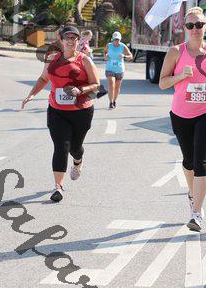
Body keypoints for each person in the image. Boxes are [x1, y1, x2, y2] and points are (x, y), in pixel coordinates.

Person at [158, 7, 206, 232]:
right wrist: (180, 76)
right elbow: (163, 83)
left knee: (200, 161)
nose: (195, 29)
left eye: (199, 25)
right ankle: (192, 194)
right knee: (188, 161)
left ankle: (196, 213)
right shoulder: (176, 52)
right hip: (181, 114)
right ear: (185, 28)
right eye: (190, 25)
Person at [21, 26, 100, 203]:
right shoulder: (52, 59)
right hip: (57, 111)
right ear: (61, 40)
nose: (70, 41)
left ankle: (78, 161)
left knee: (75, 148)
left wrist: (80, 90)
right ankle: (58, 187)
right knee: (61, 146)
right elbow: (44, 79)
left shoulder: (85, 60)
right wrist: (32, 94)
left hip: (81, 111)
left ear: (78, 41)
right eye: (67, 37)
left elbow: (96, 85)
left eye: (74, 38)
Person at [104, 31, 133, 109]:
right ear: (112, 39)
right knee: (111, 84)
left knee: (117, 87)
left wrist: (124, 56)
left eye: (118, 39)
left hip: (120, 70)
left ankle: (114, 101)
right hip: (110, 68)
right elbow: (105, 52)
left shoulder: (123, 46)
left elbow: (131, 56)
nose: (116, 41)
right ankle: (110, 102)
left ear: (120, 39)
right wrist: (105, 56)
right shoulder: (109, 45)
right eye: (115, 39)